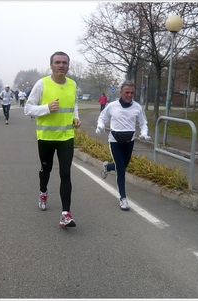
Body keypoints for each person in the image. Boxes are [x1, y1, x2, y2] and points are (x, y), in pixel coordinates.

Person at [24, 51, 81, 227]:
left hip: (66, 136)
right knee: (46, 171)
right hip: (46, 136)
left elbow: (73, 104)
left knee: (65, 173)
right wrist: (47, 108)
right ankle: (43, 191)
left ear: (68, 66)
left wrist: (76, 117)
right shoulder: (42, 84)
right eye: (57, 62)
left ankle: (66, 214)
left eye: (64, 62)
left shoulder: (72, 84)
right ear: (51, 65)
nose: (61, 65)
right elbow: (28, 109)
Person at [95, 81, 150, 211]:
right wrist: (100, 126)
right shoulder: (112, 106)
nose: (129, 95)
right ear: (121, 93)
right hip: (115, 141)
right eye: (127, 92)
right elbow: (102, 117)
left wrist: (144, 133)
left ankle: (108, 167)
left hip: (129, 141)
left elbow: (143, 123)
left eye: (132, 93)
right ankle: (123, 198)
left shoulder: (137, 107)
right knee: (121, 170)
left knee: (123, 166)